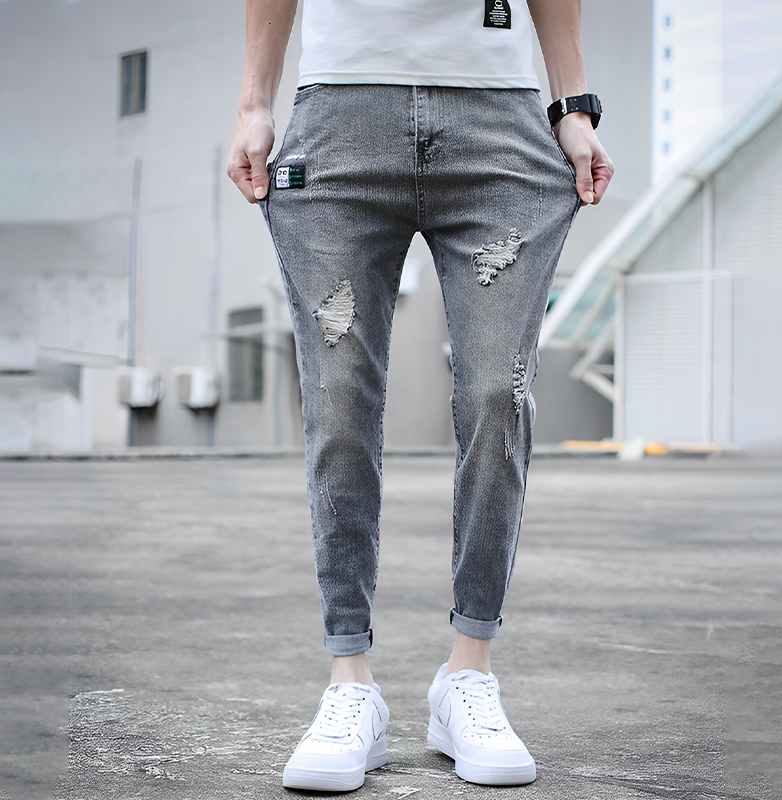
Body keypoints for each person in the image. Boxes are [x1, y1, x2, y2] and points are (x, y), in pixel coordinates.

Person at [228, 0, 613, 791]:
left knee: (499, 396)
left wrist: (573, 106)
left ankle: (468, 673)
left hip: (497, 124)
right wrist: (254, 104)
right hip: (339, 116)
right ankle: (350, 683)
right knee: (338, 400)